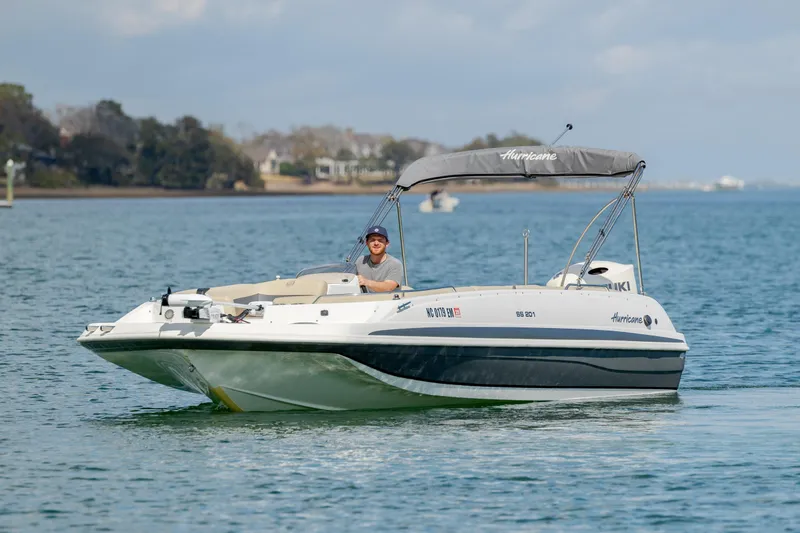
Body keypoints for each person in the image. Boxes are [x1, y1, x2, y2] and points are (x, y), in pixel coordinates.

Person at [356, 225, 404, 292]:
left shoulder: (395, 264)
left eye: (380, 240)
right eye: (372, 240)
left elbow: (389, 287)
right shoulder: (360, 261)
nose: (376, 243)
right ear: (367, 243)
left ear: (387, 243)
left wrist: (366, 282)